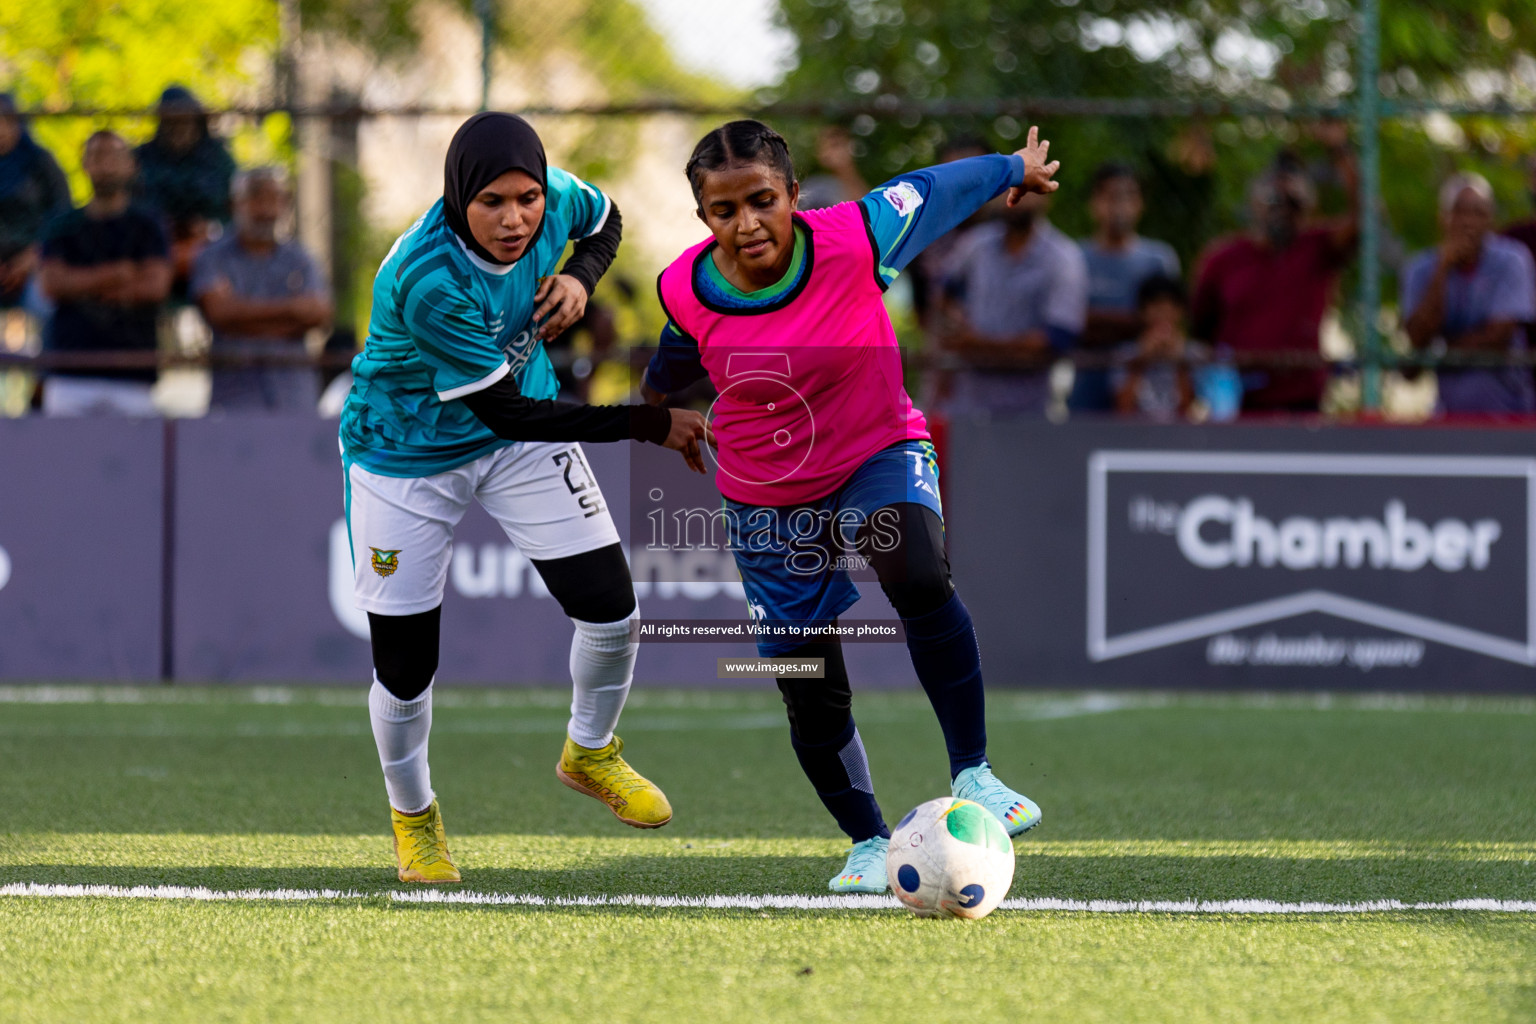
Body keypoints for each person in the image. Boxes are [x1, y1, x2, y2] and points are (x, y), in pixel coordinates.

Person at [641, 119, 1058, 894]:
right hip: (767, 493)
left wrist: (1011, 166)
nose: (747, 223)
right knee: (807, 677)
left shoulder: (858, 238)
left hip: (876, 449)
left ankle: (976, 775)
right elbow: (672, 357)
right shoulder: (682, 286)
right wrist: (655, 410)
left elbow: (938, 189)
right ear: (704, 219)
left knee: (914, 568)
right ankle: (868, 843)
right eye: (725, 211)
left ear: (794, 196)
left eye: (763, 200)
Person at [340, 112, 709, 884]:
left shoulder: (557, 200)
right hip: (406, 455)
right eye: (493, 204)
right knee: (407, 668)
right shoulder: (428, 278)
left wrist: (579, 275)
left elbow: (606, 222)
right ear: (457, 198)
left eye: (527, 199)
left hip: (516, 444)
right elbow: (506, 410)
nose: (515, 220)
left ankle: (592, 751)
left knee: (613, 609)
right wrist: (648, 423)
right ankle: (416, 821)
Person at [1190, 143, 1359, 414]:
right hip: (1238, 402)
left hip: (1301, 402)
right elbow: (1200, 330)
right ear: (1254, 200)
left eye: (1291, 202)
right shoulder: (1222, 258)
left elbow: (1363, 221)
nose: (1281, 209)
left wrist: (1339, 150)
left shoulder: (1316, 247)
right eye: (1273, 199)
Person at [37, 131, 172, 415]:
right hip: (69, 374)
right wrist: (118, 274)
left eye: (114, 156)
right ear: (85, 164)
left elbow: (155, 287)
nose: (106, 165)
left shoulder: (148, 225)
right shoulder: (62, 224)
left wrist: (79, 284)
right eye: (97, 156)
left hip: (132, 375)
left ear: (131, 165)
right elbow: (51, 285)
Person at [192, 167, 332, 412]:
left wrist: (241, 319)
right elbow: (220, 313)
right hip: (234, 398)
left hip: (294, 398)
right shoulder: (211, 257)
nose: (266, 208)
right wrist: (291, 312)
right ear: (234, 203)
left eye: (275, 198)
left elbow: (318, 314)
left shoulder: (301, 259)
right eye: (256, 196)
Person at [939, 191, 1087, 416]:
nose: (1018, 198)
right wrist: (955, 321)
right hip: (969, 402)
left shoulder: (1063, 257)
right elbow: (945, 292)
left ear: (1047, 198)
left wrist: (976, 344)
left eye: (1029, 191)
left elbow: (1058, 337)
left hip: (1030, 407)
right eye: (1011, 188)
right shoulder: (975, 245)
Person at [1402, 173, 1536, 415]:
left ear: (1491, 220)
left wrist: (1438, 352)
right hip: (1449, 413)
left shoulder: (1512, 259)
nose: (1469, 222)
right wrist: (1442, 268)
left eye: (1479, 213)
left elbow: (1498, 336)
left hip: (1509, 411)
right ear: (1443, 218)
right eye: (1460, 211)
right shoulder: (1421, 268)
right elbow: (1417, 335)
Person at [1072, 162, 1181, 412]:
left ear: (1141, 203)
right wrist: (1135, 325)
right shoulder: (1076, 257)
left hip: (1143, 390)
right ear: (1094, 203)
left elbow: (1168, 324)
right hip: (1088, 383)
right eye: (1110, 196)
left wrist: (1100, 323)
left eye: (1129, 195)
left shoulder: (1159, 259)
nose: (1120, 206)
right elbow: (1072, 324)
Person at [134, 86, 237, 295]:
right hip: (152, 252)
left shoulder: (219, 160)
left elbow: (237, 207)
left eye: (184, 120)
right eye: (170, 122)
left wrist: (211, 227)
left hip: (211, 248)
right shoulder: (141, 159)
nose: (178, 129)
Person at [0, 93, 72, 309]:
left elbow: (64, 216)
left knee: (44, 302)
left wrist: (33, 256)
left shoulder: (41, 162)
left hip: (38, 262)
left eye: (7, 121)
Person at [1112, 275, 1209, 421]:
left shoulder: (1197, 353)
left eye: (1171, 307)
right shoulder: (1125, 353)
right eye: (1156, 306)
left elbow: (1196, 413)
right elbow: (1123, 409)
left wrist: (1179, 362)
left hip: (1183, 437)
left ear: (1181, 311)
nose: (1164, 313)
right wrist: (1141, 361)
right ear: (1142, 311)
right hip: (1136, 435)